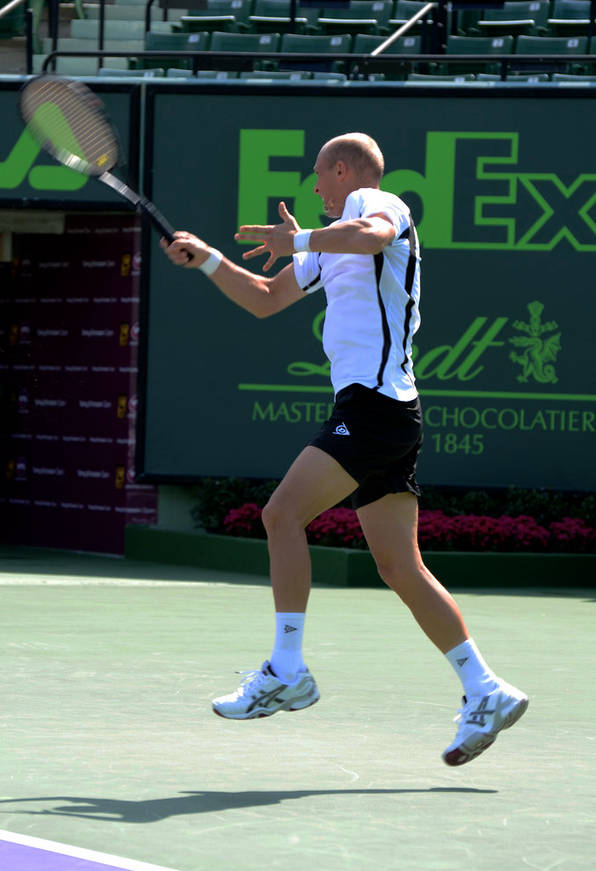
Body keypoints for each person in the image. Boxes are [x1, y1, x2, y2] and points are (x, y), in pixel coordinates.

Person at [161, 132, 528, 766]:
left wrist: (299, 239)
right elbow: (266, 298)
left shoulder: (380, 204)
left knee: (280, 515)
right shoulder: (332, 246)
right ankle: (485, 689)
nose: (313, 188)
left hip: (376, 409)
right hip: (387, 416)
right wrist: (211, 260)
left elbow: (373, 236)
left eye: (317, 176)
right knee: (399, 567)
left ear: (340, 172)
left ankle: (286, 667)